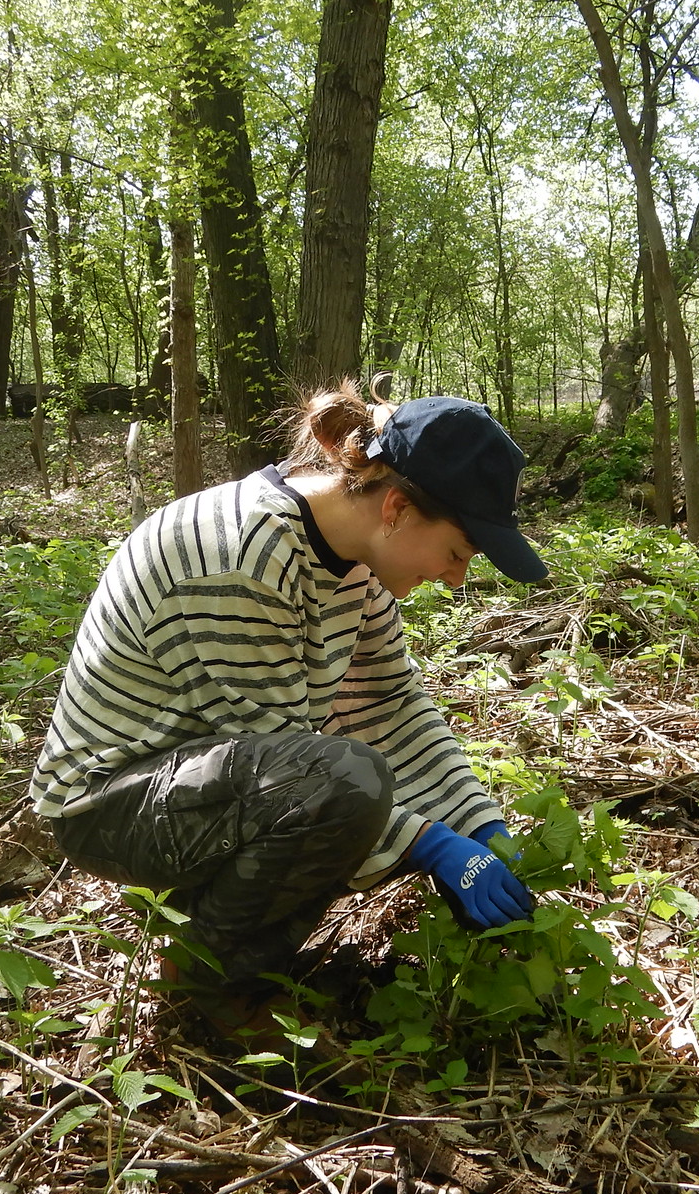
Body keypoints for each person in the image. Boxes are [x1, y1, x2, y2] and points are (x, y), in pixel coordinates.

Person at [30, 383, 548, 1019]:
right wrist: (433, 846)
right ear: (397, 509)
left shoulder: (351, 558)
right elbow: (294, 772)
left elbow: (391, 703)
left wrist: (477, 824)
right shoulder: (241, 556)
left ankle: (241, 956)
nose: (456, 575)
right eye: (458, 552)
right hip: (106, 800)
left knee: (346, 786)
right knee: (340, 788)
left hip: (205, 772)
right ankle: (205, 988)